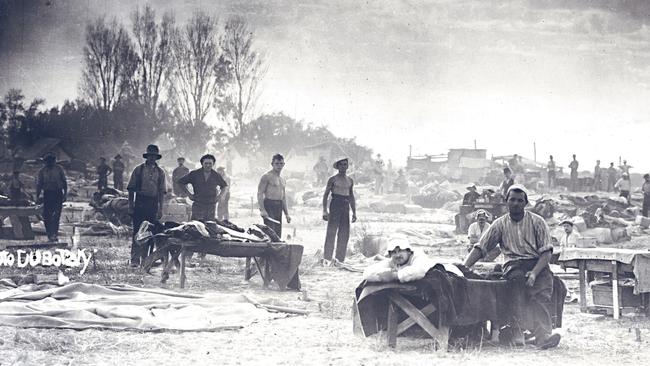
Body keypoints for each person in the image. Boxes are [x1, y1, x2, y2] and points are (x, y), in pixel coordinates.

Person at [464, 184, 561, 349]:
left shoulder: (538, 222)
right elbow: (481, 247)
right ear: (506, 201)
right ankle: (517, 331)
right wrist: (464, 266)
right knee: (515, 285)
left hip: (537, 262)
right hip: (513, 264)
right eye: (512, 200)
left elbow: (546, 253)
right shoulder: (499, 224)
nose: (515, 203)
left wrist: (534, 273)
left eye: (519, 200)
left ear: (525, 203)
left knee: (542, 289)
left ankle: (543, 336)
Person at [126, 145, 166, 267]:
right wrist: (131, 205)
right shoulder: (138, 170)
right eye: (150, 156)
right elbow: (131, 189)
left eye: (154, 156)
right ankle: (134, 259)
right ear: (147, 156)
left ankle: (146, 258)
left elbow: (161, 192)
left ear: (156, 157)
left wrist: (160, 209)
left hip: (153, 203)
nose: (152, 158)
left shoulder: (160, 172)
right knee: (137, 231)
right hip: (140, 202)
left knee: (150, 232)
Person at [363, 238, 463, 282]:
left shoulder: (418, 256)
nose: (397, 255)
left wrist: (394, 276)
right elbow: (368, 272)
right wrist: (383, 275)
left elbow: (418, 271)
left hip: (451, 275)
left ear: (408, 251)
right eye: (393, 252)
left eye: (400, 251)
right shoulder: (392, 261)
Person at [322, 157, 357, 264]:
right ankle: (327, 258)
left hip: (345, 205)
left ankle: (340, 259)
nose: (343, 166)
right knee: (331, 232)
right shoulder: (333, 179)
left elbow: (351, 196)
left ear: (347, 166)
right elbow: (326, 195)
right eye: (341, 164)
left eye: (345, 164)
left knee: (344, 233)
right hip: (335, 204)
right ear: (337, 166)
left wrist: (354, 212)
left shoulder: (350, 180)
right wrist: (324, 210)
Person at [177, 154, 228, 221]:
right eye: (206, 163)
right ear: (202, 164)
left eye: (210, 163)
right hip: (198, 204)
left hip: (211, 205)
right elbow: (180, 182)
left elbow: (224, 186)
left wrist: (219, 196)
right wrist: (189, 194)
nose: (208, 165)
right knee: (196, 226)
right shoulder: (194, 174)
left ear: (213, 164)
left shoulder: (216, 175)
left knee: (209, 226)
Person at [36, 152, 68, 242]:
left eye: (51, 162)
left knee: (56, 215)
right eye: (48, 162)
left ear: (54, 162)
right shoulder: (42, 171)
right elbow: (39, 184)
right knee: (47, 215)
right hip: (48, 193)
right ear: (45, 162)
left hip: (57, 193)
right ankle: (50, 234)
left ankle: (54, 234)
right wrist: (37, 196)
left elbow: (64, 182)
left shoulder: (59, 169)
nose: (49, 164)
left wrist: (65, 194)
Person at [257, 154, 291, 237]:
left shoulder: (282, 180)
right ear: (272, 164)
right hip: (269, 204)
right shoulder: (266, 176)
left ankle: (276, 249)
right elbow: (260, 193)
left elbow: (283, 197)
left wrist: (287, 214)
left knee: (277, 232)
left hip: (278, 206)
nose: (279, 166)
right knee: (270, 231)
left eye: (281, 163)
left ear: (283, 164)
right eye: (277, 163)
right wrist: (262, 210)